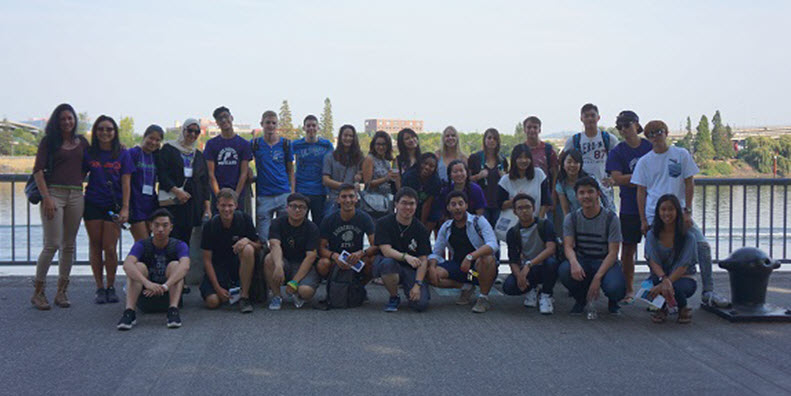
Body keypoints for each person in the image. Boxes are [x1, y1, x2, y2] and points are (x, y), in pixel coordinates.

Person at [632, 120, 729, 308]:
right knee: (655, 254)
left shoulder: (681, 154)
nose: (655, 137)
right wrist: (643, 219)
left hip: (680, 213)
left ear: (666, 133)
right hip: (655, 214)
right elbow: (641, 192)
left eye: (658, 132)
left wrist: (688, 211)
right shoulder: (644, 162)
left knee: (702, 246)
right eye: (650, 134)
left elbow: (689, 182)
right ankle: (658, 291)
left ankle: (708, 291)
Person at [30, 103, 89, 310]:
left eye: (70, 118)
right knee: (52, 244)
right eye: (63, 118)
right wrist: (46, 197)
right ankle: (38, 292)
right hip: (53, 194)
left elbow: (90, 164)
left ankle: (61, 292)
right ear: (57, 121)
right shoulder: (49, 142)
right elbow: (38, 171)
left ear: (75, 120)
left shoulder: (82, 142)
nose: (67, 122)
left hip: (75, 194)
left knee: (69, 245)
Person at [558, 176, 626, 317]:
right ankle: (581, 299)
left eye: (590, 192)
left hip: (605, 260)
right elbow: (568, 246)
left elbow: (613, 253)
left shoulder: (611, 218)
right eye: (582, 193)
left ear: (598, 194)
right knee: (565, 270)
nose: (586, 196)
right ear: (576, 196)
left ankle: (613, 301)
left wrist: (597, 278)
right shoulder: (572, 218)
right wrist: (574, 262)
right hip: (583, 259)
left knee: (615, 287)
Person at [83, 115, 133, 305]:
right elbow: (76, 173)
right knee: (95, 246)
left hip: (113, 205)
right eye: (101, 129)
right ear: (96, 131)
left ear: (115, 132)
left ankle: (111, 285)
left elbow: (126, 182)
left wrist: (126, 208)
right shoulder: (89, 153)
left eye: (109, 129)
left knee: (110, 248)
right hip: (93, 204)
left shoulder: (122, 153)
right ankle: (99, 287)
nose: (105, 132)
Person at [605, 111, 652, 304]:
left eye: (627, 125)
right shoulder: (618, 151)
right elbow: (616, 178)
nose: (624, 130)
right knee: (627, 251)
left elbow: (658, 172)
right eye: (620, 127)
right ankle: (628, 288)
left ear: (637, 125)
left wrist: (629, 179)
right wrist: (642, 179)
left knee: (655, 250)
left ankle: (656, 287)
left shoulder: (650, 147)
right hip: (629, 207)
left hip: (654, 207)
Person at [116, 209, 190, 330]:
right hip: (146, 293)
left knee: (176, 265)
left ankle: (173, 310)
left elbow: (186, 266)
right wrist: (148, 284)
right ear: (150, 226)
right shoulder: (142, 244)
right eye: (157, 225)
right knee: (137, 267)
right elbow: (127, 265)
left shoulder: (179, 245)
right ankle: (129, 312)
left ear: (171, 227)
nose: (160, 229)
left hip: (168, 291)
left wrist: (165, 286)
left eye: (165, 225)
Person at [428, 191, 499, 313]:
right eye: (453, 204)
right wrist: (432, 267)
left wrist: (470, 257)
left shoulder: (479, 221)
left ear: (466, 206)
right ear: (448, 208)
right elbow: (436, 252)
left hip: (478, 272)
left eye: (460, 204)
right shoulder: (446, 226)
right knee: (430, 274)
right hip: (463, 271)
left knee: (486, 258)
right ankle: (466, 287)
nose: (457, 207)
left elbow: (493, 244)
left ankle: (483, 297)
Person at [200, 189, 262, 313]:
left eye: (230, 205)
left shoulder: (245, 219)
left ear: (236, 205)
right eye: (223, 205)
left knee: (248, 249)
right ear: (217, 205)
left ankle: (244, 296)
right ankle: (228, 291)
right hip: (219, 267)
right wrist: (217, 288)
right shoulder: (210, 226)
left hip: (239, 265)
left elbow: (259, 245)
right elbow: (207, 260)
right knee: (212, 302)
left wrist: (247, 241)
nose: (226, 209)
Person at [373, 187, 432, 312]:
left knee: (420, 305)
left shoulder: (421, 229)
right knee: (387, 263)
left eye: (412, 204)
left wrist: (417, 285)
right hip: (391, 262)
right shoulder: (383, 223)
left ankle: (413, 289)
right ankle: (394, 296)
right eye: (404, 203)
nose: (408, 207)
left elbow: (423, 259)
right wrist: (406, 257)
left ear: (416, 206)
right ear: (396, 204)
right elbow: (386, 250)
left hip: (411, 268)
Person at [156, 118, 211, 246]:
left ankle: (182, 265)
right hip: (172, 203)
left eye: (196, 132)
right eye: (190, 130)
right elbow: (162, 174)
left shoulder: (198, 155)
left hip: (191, 206)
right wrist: (177, 191)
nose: (192, 135)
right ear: (183, 130)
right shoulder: (169, 149)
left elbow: (204, 182)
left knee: (184, 242)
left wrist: (207, 207)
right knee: (168, 239)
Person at [644, 194, 698, 324]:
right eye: (663, 209)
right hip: (660, 275)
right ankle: (662, 307)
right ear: (658, 212)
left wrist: (667, 282)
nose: (667, 213)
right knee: (659, 282)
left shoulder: (688, 237)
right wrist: (664, 279)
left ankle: (682, 307)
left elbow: (683, 265)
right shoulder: (652, 234)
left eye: (671, 209)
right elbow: (653, 260)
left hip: (684, 277)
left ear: (677, 212)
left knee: (675, 287)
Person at [263, 193, 322, 310]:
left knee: (306, 292)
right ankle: (277, 296)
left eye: (302, 207)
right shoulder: (277, 223)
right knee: (270, 259)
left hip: (303, 265)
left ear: (306, 211)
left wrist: (294, 282)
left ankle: (297, 291)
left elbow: (310, 257)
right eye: (293, 206)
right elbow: (274, 245)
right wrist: (279, 266)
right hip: (285, 262)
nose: (297, 210)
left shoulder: (312, 228)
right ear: (287, 208)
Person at [503, 194, 558, 314]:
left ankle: (546, 294)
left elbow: (551, 249)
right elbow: (513, 260)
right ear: (515, 212)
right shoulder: (513, 232)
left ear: (533, 208)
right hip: (528, 270)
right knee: (509, 287)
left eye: (527, 207)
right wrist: (519, 277)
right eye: (520, 208)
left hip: (544, 266)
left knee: (551, 262)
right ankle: (532, 288)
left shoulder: (545, 225)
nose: (524, 211)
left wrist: (529, 265)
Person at [316, 183, 378, 285]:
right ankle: (333, 288)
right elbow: (321, 248)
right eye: (344, 197)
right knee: (322, 264)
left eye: (351, 196)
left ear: (356, 199)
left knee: (373, 261)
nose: (348, 200)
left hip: (357, 257)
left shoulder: (365, 218)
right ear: (338, 199)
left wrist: (361, 253)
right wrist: (334, 256)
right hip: (336, 258)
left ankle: (359, 289)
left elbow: (375, 245)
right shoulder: (329, 219)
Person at [563, 103, 619, 209]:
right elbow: (563, 162)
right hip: (582, 190)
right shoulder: (574, 140)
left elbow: (619, 161)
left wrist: (613, 179)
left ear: (598, 118)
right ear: (581, 118)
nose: (590, 119)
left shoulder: (609, 139)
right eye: (586, 116)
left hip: (604, 189)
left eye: (592, 115)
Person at [252, 110, 294, 241]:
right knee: (264, 237)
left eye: (273, 123)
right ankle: (265, 260)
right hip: (264, 196)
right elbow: (246, 162)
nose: (271, 126)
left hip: (283, 193)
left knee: (285, 235)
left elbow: (290, 170)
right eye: (268, 123)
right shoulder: (255, 144)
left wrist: (292, 192)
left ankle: (283, 261)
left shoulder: (285, 144)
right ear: (262, 124)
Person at [494, 144, 551, 240]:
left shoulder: (539, 175)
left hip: (536, 222)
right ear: (514, 159)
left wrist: (538, 223)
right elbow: (500, 204)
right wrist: (516, 201)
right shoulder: (505, 180)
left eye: (526, 157)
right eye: (520, 158)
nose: (524, 161)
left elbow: (545, 202)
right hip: (515, 227)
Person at [204, 106, 253, 212]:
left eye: (226, 117)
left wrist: (236, 196)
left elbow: (244, 173)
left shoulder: (244, 144)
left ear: (231, 117)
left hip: (237, 193)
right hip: (218, 193)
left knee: (238, 225)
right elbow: (210, 173)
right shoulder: (211, 144)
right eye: (220, 119)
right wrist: (218, 196)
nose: (223, 120)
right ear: (216, 123)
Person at [292, 114, 334, 225]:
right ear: (304, 128)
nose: (311, 128)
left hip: (319, 190)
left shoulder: (326, 145)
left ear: (318, 128)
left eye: (314, 125)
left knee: (319, 223)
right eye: (308, 126)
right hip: (301, 189)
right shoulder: (296, 145)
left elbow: (332, 165)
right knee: (300, 222)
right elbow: (288, 164)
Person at [128, 125, 164, 241]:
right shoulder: (133, 153)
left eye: (157, 140)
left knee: (149, 242)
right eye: (151, 138)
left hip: (150, 204)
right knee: (143, 243)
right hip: (135, 204)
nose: (153, 142)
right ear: (144, 136)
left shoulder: (156, 156)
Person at [468, 128, 509, 228]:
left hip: (498, 204)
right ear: (484, 140)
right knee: (482, 233)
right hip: (481, 204)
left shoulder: (502, 160)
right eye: (489, 138)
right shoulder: (475, 158)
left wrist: (504, 177)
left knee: (497, 234)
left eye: (495, 138)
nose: (491, 141)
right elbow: (466, 180)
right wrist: (478, 176)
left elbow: (509, 182)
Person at [322, 124, 363, 218]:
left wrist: (359, 177)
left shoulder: (359, 157)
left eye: (351, 136)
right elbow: (325, 180)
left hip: (353, 199)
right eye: (345, 135)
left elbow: (362, 176)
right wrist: (344, 187)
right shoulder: (330, 156)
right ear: (340, 137)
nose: (348, 138)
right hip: (335, 198)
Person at [555, 149, 608, 216]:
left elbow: (598, 202)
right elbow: (565, 209)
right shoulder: (561, 184)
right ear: (563, 165)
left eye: (576, 162)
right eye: (569, 162)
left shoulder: (590, 179)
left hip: (595, 216)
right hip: (576, 219)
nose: (572, 165)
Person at [361, 131, 399, 220]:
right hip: (373, 203)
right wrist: (386, 178)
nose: (381, 147)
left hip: (387, 202)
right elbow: (367, 184)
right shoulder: (369, 159)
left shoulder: (386, 161)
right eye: (378, 144)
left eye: (384, 144)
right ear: (373, 145)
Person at [402, 152, 442, 230]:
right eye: (425, 163)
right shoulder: (409, 176)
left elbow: (427, 204)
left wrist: (421, 226)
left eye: (431, 166)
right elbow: (406, 199)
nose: (427, 167)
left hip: (427, 208)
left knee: (434, 214)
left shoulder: (436, 181)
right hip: (409, 204)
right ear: (420, 163)